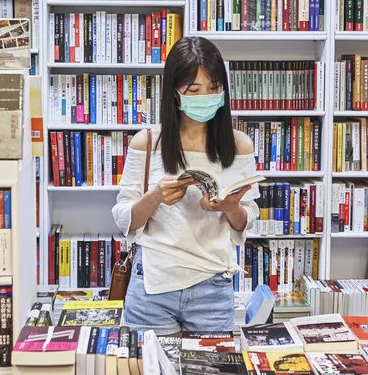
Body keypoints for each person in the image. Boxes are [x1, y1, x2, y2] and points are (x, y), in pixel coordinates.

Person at [111, 36, 260, 334]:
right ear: (175, 92)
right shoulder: (148, 142)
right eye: (194, 89)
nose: (206, 96)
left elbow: (247, 222)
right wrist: (155, 196)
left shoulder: (239, 145)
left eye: (214, 88)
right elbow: (124, 220)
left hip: (213, 286)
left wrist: (231, 208)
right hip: (153, 283)